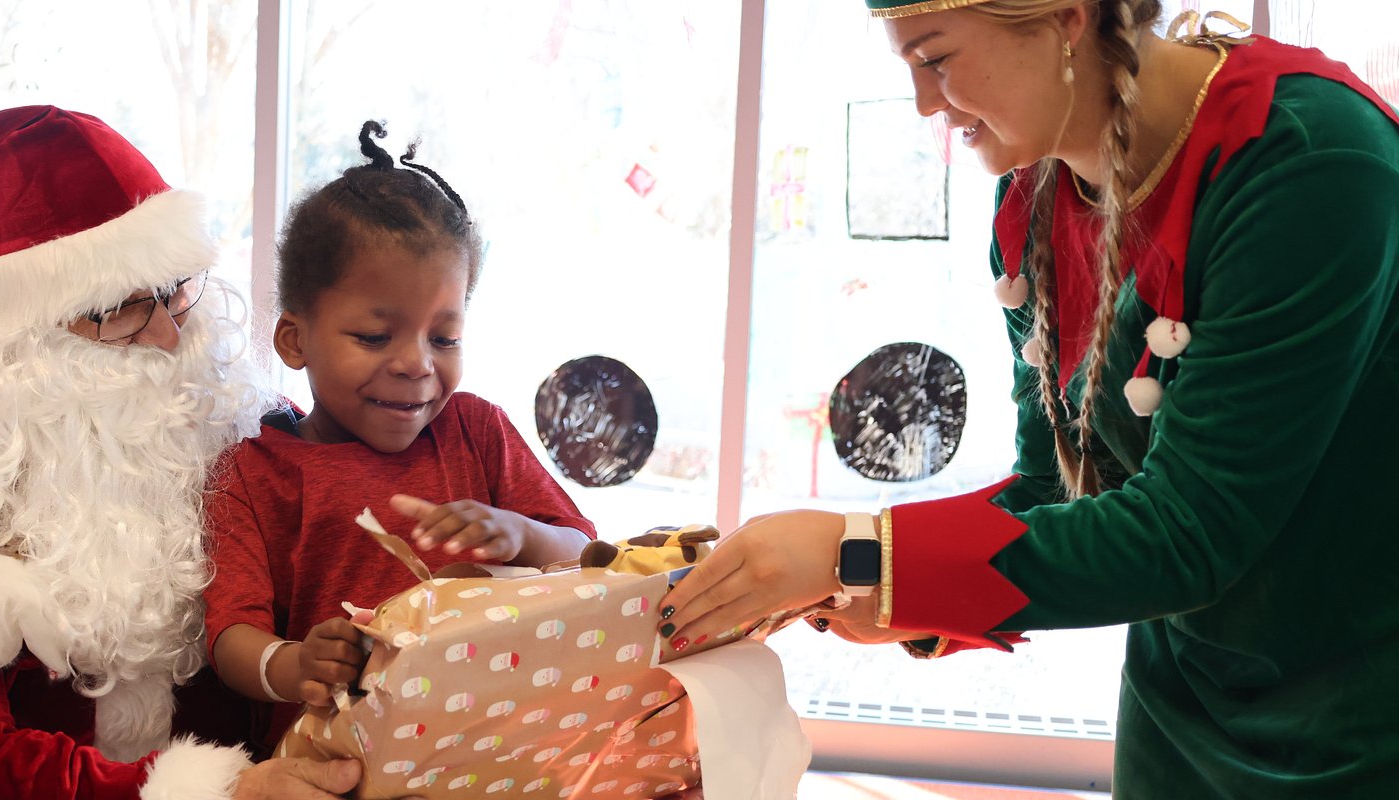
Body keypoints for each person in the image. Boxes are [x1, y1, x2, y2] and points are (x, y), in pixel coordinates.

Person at [663, 1, 1399, 795]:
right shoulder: (1036, 191)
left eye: (935, 59)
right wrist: (883, 587)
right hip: (1182, 703)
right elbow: (1056, 484)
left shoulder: (1309, 160)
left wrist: (859, 548)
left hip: (1356, 713)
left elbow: (1189, 533)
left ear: (1068, 19)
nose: (924, 105)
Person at [0, 105, 362, 799]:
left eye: (175, 292)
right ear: (11, 341)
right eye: (119, 310)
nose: (171, 338)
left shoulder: (243, 423)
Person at [202, 121, 598, 753]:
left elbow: (586, 553)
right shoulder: (254, 473)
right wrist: (296, 663)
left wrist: (522, 535)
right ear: (295, 340)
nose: (417, 364)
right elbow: (228, 638)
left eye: (444, 338)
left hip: (498, 754)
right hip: (339, 763)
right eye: (374, 336)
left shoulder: (477, 431)